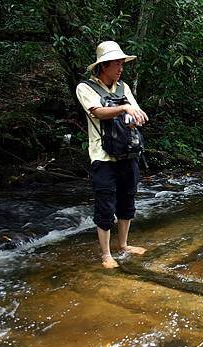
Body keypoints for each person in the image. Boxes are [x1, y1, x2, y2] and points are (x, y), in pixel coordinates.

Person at [76, 41, 149, 268]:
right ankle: (106, 254)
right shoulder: (85, 88)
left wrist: (136, 116)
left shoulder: (123, 87)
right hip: (102, 156)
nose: (120, 68)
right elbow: (97, 112)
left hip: (127, 153)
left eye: (121, 64)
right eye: (116, 64)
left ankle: (124, 245)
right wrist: (124, 108)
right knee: (105, 203)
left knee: (127, 198)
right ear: (103, 66)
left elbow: (134, 111)